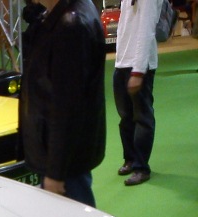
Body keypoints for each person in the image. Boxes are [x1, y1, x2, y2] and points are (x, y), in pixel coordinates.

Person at [19, 0, 106, 206]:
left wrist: (56, 172)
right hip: (63, 153)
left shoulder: (70, 25)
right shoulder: (62, 16)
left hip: (64, 160)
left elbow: (67, 106)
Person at [113, 0, 162, 186]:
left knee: (142, 117)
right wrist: (120, 62)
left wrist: (138, 71)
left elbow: (146, 31)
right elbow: (124, 29)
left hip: (139, 66)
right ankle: (130, 159)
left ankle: (142, 167)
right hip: (123, 63)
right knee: (125, 117)